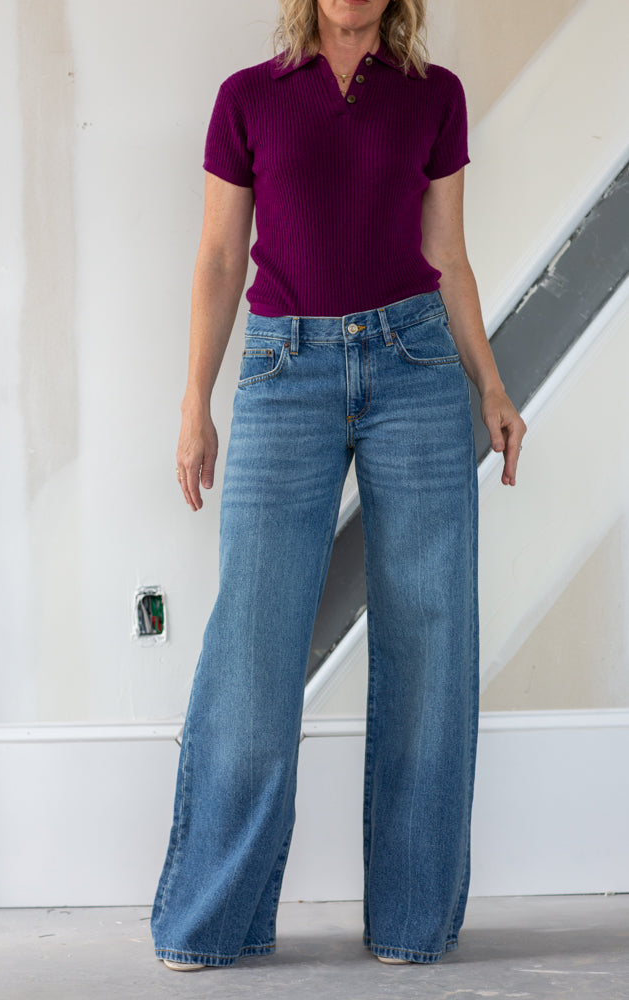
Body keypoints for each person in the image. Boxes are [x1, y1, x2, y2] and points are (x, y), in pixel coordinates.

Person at [151, 0, 527, 973]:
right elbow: (220, 258)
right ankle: (213, 917)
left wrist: (490, 384)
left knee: (431, 639)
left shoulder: (432, 98)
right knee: (253, 637)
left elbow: (446, 256)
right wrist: (194, 401)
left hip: (414, 366)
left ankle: (413, 918)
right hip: (285, 370)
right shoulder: (249, 100)